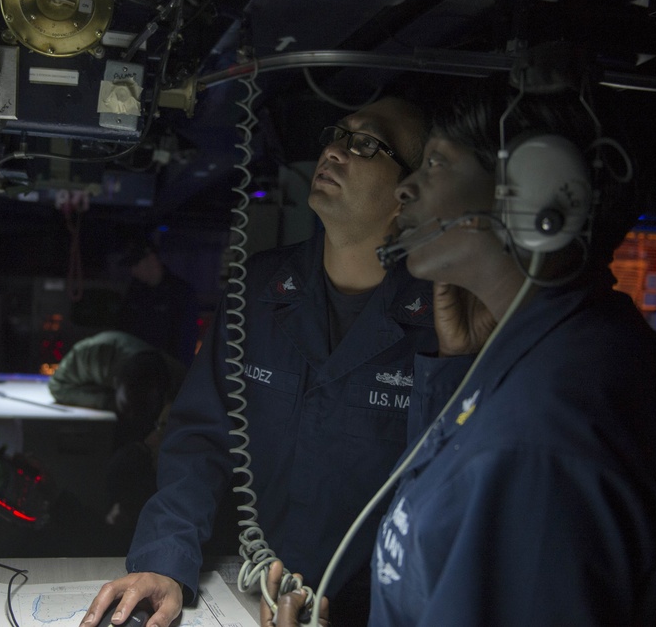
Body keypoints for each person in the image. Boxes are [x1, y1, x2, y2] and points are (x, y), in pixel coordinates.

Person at [266, 65, 656, 625]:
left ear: (538, 196)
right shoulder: (547, 352)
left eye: (436, 164)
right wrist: (455, 371)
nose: (407, 189)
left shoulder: (547, 429)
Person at [81, 96, 464, 627]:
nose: (333, 150)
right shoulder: (258, 290)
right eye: (337, 133)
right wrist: (165, 562)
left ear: (412, 193)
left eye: (366, 144)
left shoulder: (446, 325)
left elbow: (449, 490)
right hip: (240, 590)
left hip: (370, 610)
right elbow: (199, 441)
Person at [48, 330, 188, 533]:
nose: (131, 416)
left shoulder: (181, 384)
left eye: (141, 409)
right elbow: (58, 386)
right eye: (127, 406)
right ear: (115, 383)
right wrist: (106, 403)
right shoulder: (97, 354)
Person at [116, 238, 200, 366]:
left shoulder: (180, 293)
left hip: (166, 370)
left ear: (151, 259)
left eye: (136, 264)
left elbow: (185, 341)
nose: (132, 271)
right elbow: (123, 328)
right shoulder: (135, 291)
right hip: (137, 367)